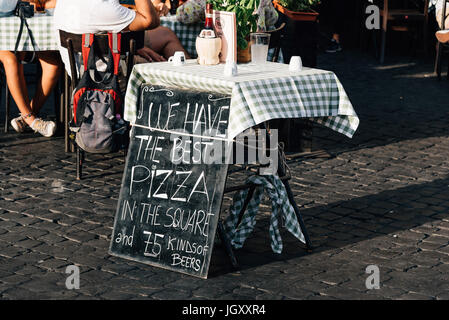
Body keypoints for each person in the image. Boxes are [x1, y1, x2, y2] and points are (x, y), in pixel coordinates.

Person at [0, 0, 62, 137]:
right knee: (11, 60)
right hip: (6, 33)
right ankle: (32, 120)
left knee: (53, 63)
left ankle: (25, 118)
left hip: (16, 29)